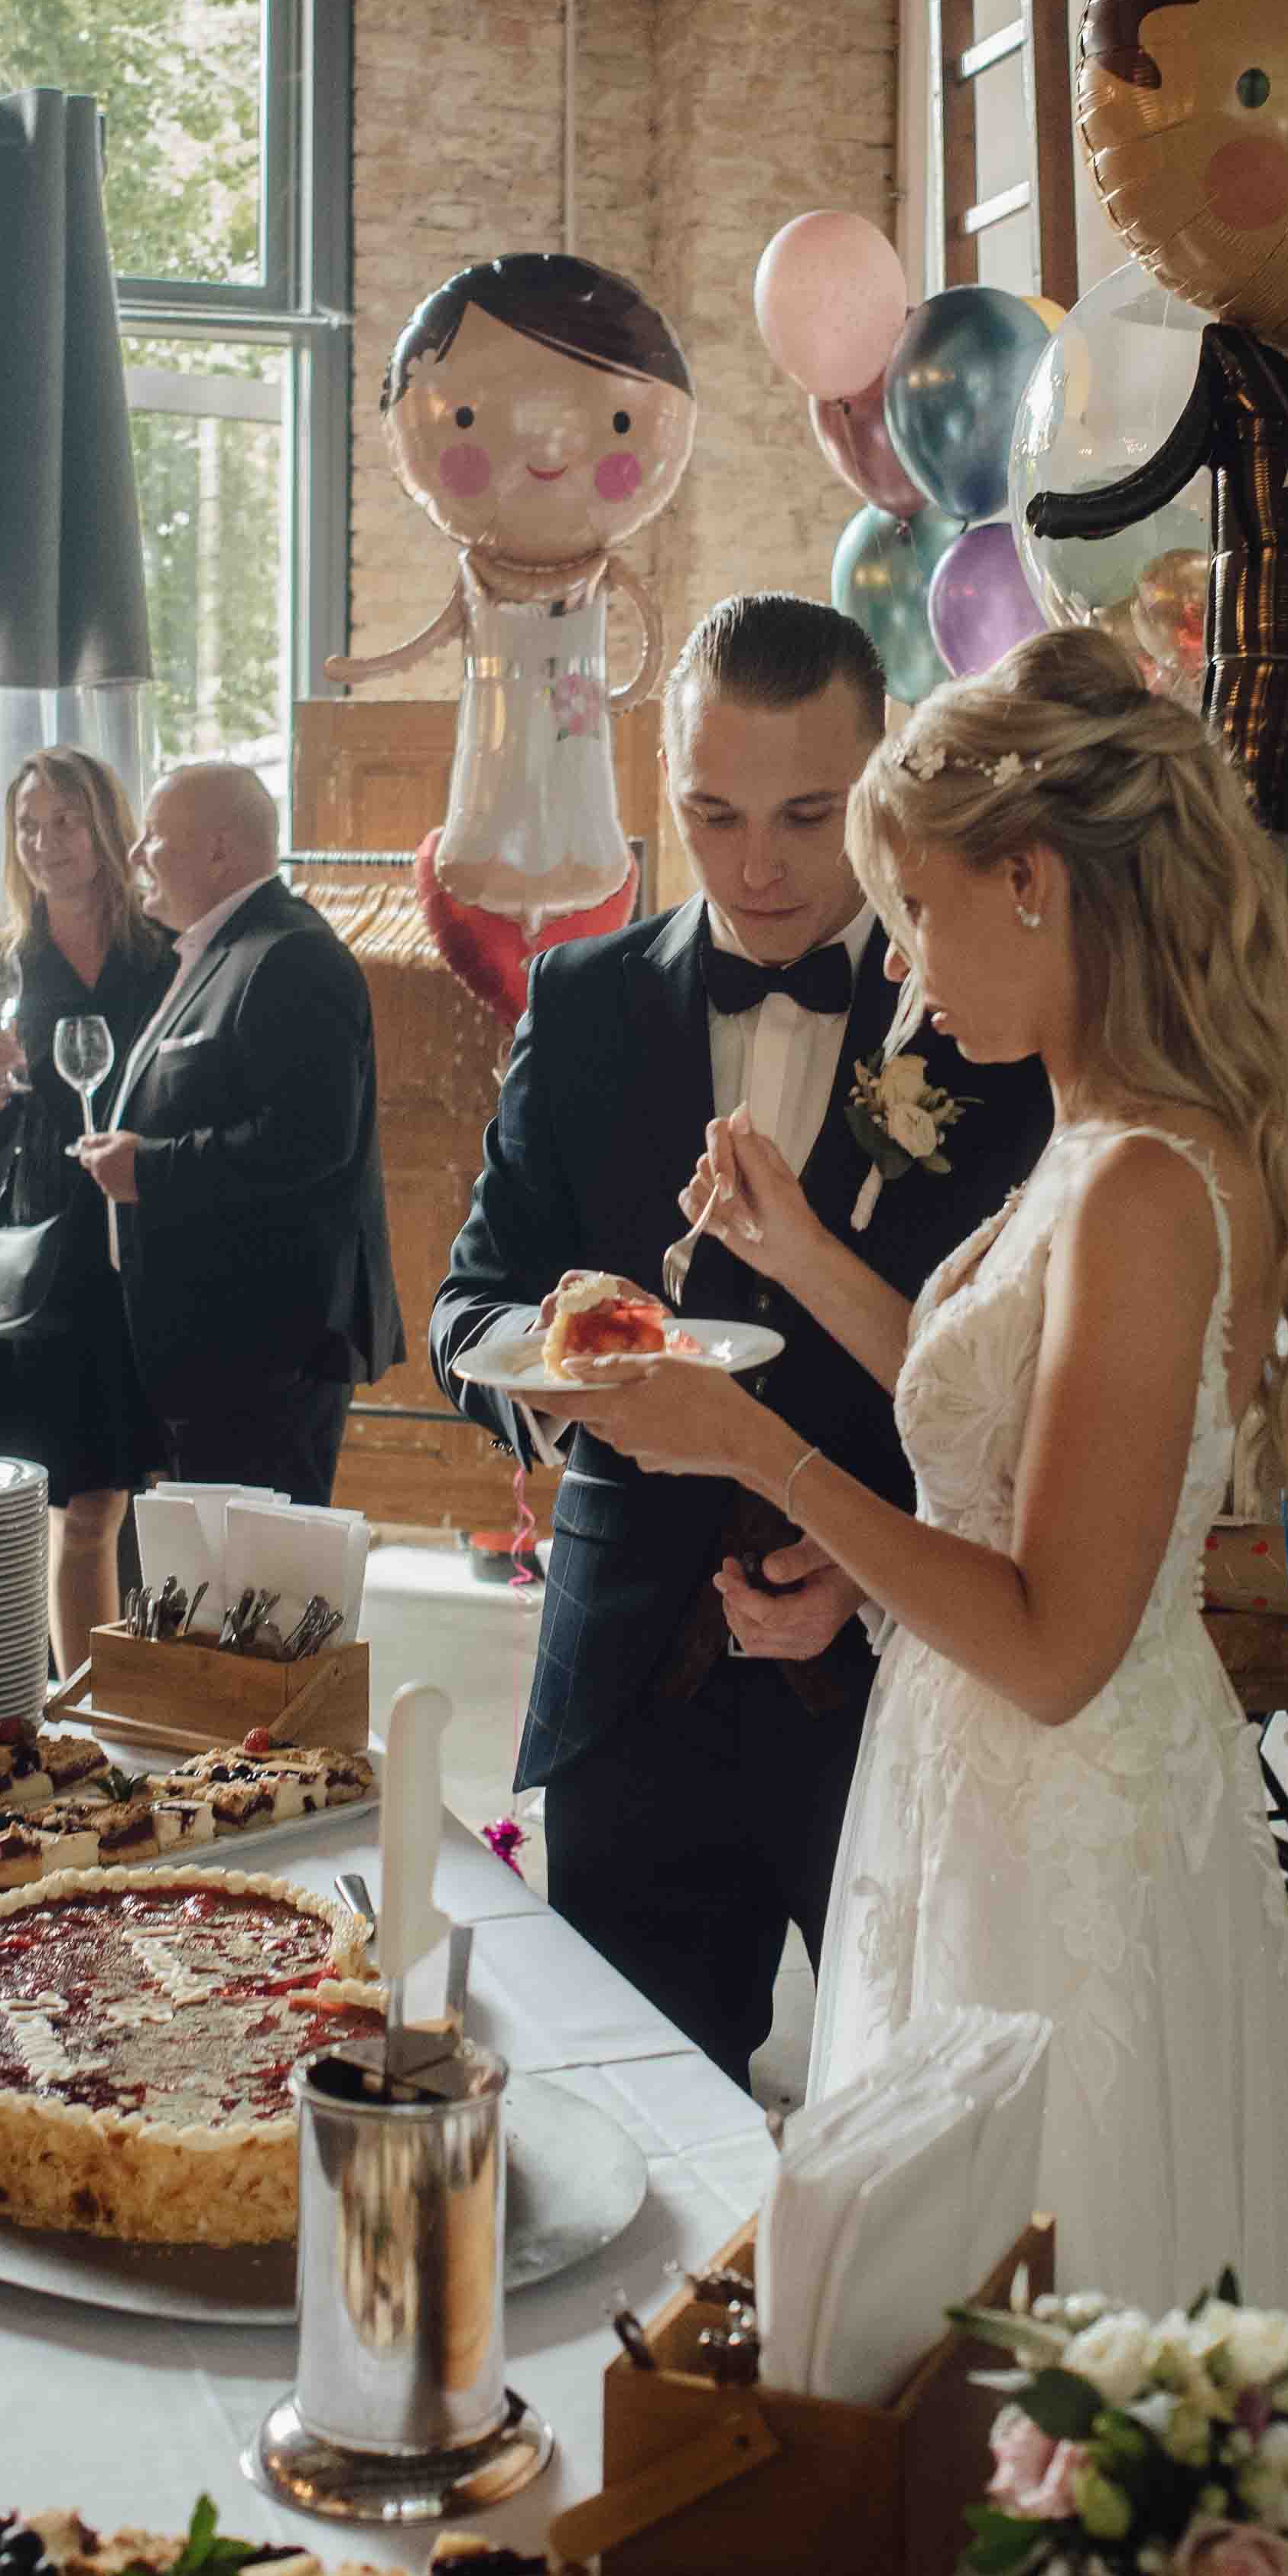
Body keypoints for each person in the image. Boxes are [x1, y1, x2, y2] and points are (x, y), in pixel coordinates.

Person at [525, 623, 1288, 2321]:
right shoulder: (1105, 1129)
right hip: (973, 1782)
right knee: (948, 2312)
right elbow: (1009, 1429)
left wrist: (755, 1440)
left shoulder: (1142, 1178)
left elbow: (1059, 1638)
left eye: (917, 908)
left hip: (1061, 1823)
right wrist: (807, 1252)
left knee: (1036, 2307)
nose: (906, 969)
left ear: (1035, 880)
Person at [432, 594, 1055, 2091]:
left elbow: (1027, 1380)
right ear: (665, 785)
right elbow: (471, 1304)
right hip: (627, 1680)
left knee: (912, 2131)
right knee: (630, 2142)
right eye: (712, 813)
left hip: (891, 1693)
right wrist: (559, 1383)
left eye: (806, 812)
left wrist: (875, 1560)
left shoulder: (982, 1016)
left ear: (886, 769)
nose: (758, 864)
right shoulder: (581, 1004)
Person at [71, 758, 399, 1503]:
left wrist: (145, 1169)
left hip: (266, 1358)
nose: (133, 857)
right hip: (216, 1352)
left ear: (219, 851)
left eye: (152, 837)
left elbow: (310, 1141)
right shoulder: (221, 950)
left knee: (258, 1600)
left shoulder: (290, 955)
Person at [0, 745, 174, 1667]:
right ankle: (88, 1712)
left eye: (66, 820)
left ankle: (159, 1700)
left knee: (157, 1496)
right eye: (29, 825)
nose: (46, 841)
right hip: (55, 1256)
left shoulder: (163, 950)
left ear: (105, 827)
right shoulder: (4, 963)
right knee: (82, 1507)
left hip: (155, 1240)